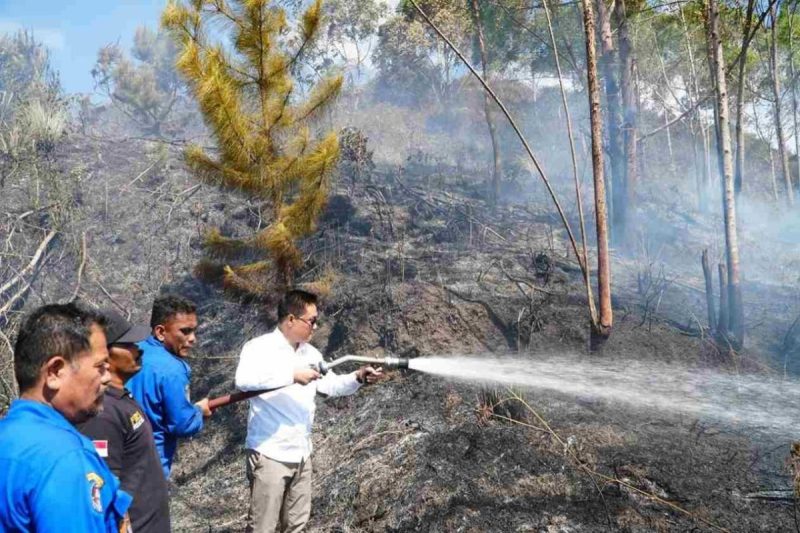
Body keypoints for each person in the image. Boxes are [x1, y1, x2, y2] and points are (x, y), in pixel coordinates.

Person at [235, 289, 383, 533]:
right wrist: (291, 375)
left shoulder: (311, 354)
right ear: (291, 319)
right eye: (311, 321)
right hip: (270, 453)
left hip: (302, 455)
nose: (314, 327)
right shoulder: (259, 348)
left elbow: (331, 385)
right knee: (263, 527)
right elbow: (244, 380)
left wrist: (357, 377)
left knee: (297, 525)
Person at [0, 303, 132, 532]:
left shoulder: (8, 437)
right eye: (100, 367)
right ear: (54, 372)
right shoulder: (66, 458)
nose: (107, 378)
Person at [78, 308, 171, 532]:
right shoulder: (103, 412)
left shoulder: (120, 398)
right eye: (128, 344)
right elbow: (105, 484)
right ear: (104, 354)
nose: (137, 349)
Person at [127, 294, 212, 478]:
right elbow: (182, 424)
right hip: (151, 467)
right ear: (160, 332)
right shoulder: (172, 370)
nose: (193, 339)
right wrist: (199, 411)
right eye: (185, 331)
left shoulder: (131, 352)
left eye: (194, 331)